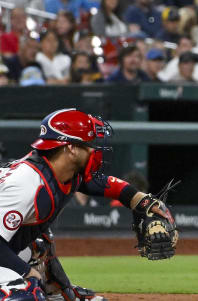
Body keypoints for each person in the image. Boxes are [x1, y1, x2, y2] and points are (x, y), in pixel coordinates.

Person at [0, 109, 177, 299]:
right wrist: (28, 273)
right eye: (89, 144)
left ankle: (56, 293)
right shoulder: (26, 184)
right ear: (71, 148)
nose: (94, 150)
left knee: (40, 243)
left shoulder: (60, 171)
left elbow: (98, 184)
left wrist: (138, 199)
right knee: (25, 293)